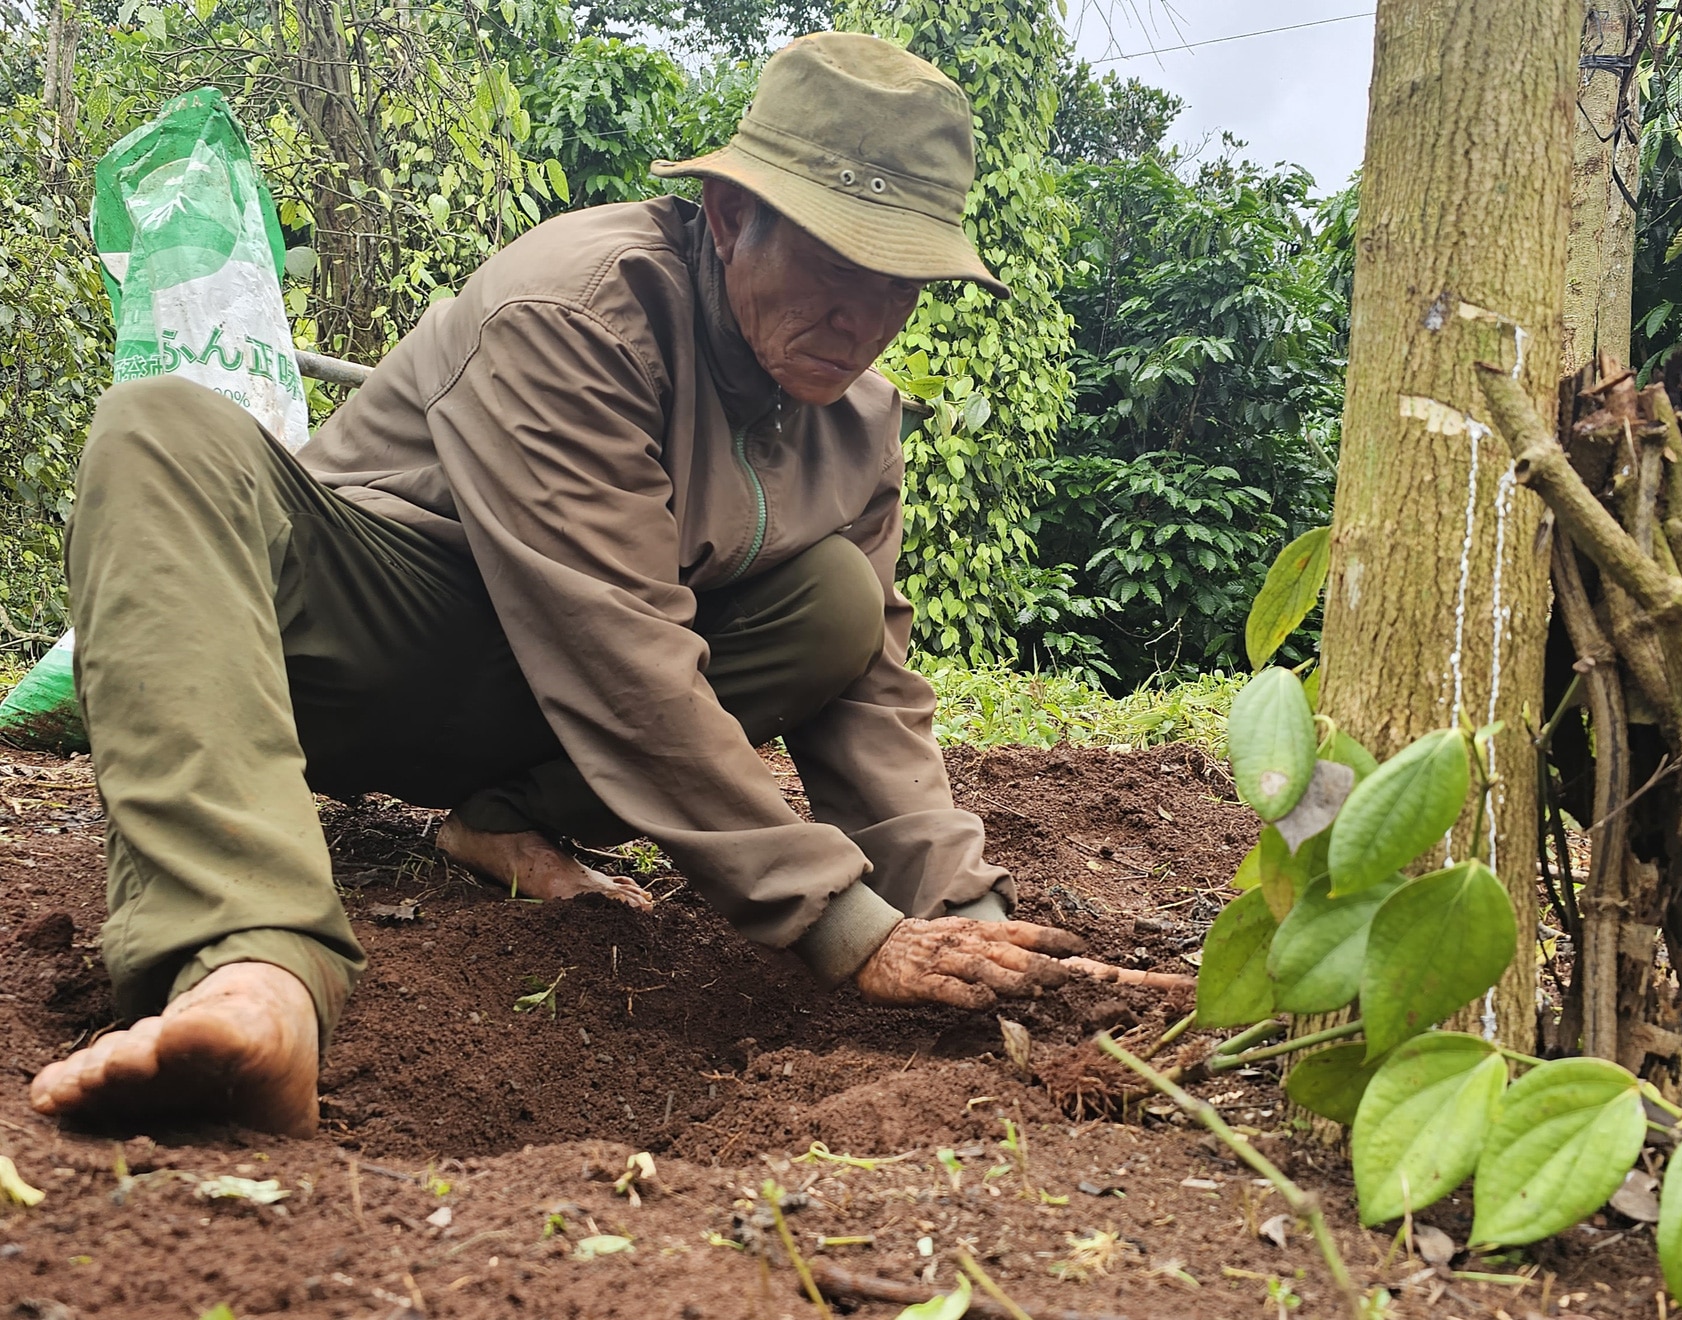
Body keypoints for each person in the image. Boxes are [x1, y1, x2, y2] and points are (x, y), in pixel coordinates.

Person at [28, 32, 1105, 1139]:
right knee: (158, 427)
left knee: (835, 600)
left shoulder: (860, 426)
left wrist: (973, 925)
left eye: (900, 284)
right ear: (732, 218)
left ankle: (500, 823)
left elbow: (871, 694)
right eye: (836, 263)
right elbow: (617, 646)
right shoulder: (580, 307)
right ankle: (248, 962)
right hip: (375, 645)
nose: (862, 318)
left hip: (544, 717)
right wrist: (842, 924)